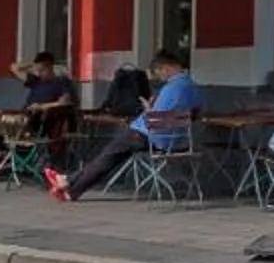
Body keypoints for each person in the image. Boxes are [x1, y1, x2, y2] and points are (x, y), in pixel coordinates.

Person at [48, 50, 199, 201]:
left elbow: (155, 118)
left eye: (159, 74)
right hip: (177, 140)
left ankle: (69, 183)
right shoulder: (193, 86)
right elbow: (195, 113)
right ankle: (70, 184)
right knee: (111, 156)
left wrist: (147, 108)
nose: (161, 78)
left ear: (166, 68)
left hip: (150, 136)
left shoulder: (170, 88)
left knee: (108, 155)